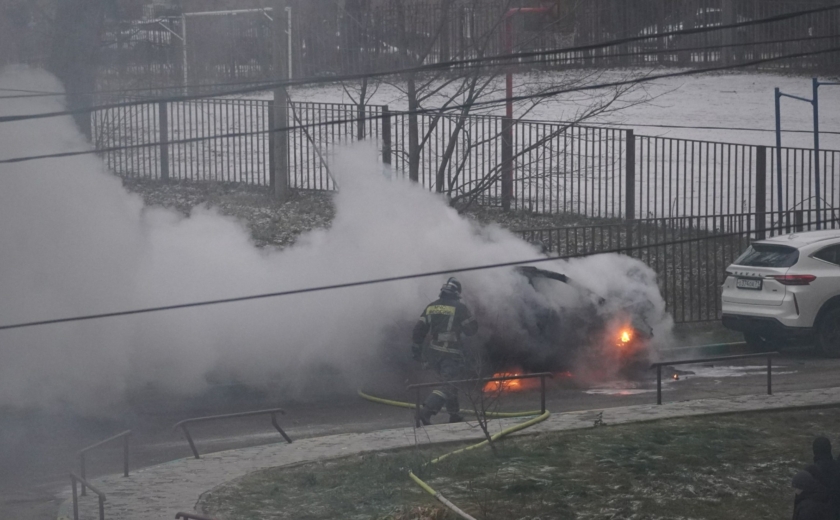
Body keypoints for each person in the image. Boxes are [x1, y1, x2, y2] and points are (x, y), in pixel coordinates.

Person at [411, 277, 478, 426]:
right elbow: (471, 330)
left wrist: (416, 349)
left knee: (451, 383)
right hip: (450, 352)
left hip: (433, 353)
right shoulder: (459, 308)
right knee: (448, 384)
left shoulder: (431, 307)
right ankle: (426, 411)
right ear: (456, 293)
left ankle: (454, 415)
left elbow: (418, 330)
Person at [792, 437, 838, 520]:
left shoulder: (809, 473)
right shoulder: (837, 468)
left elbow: (798, 499)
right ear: (830, 449)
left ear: (814, 451)